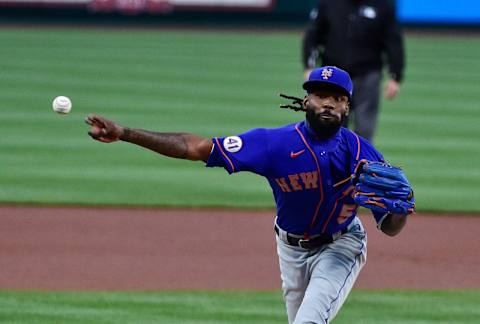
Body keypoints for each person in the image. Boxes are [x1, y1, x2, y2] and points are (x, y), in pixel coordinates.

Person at [85, 66, 414, 323]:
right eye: (320, 94)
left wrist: (398, 210)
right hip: (291, 250)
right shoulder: (275, 144)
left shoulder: (362, 153)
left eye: (338, 97)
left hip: (342, 246)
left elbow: (389, 227)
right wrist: (126, 133)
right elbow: (196, 147)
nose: (328, 102)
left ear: (347, 107)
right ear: (305, 101)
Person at [302, 0, 405, 143]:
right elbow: (313, 34)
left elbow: (393, 40)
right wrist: (309, 65)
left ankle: (360, 163)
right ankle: (332, 164)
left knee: (365, 130)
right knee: (331, 128)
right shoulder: (328, 3)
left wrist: (395, 75)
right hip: (334, 79)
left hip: (367, 74)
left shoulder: (382, 5)